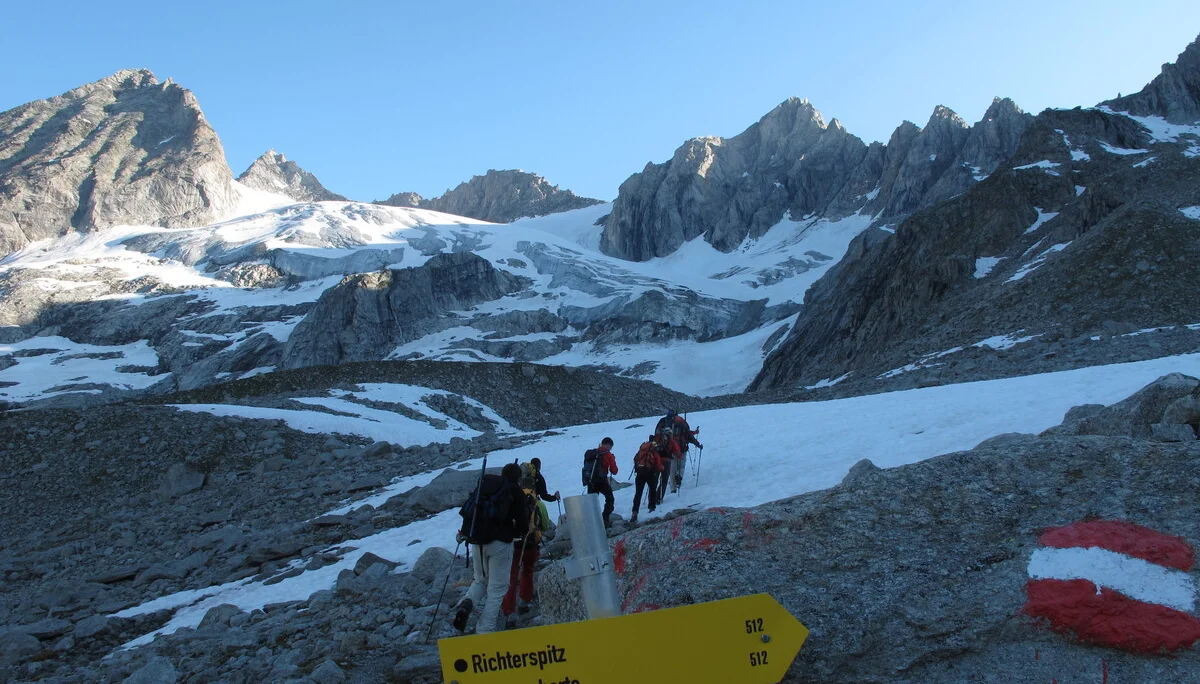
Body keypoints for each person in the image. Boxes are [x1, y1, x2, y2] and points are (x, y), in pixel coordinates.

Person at [452, 462, 528, 634]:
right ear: (518, 477)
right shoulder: (515, 491)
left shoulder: (487, 488)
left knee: (480, 580)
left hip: (477, 541)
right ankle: (485, 629)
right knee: (497, 587)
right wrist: (519, 531)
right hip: (500, 544)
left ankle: (466, 603)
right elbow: (522, 522)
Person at [501, 469, 551, 622]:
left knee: (511, 576)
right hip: (530, 542)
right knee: (527, 571)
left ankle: (508, 611)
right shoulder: (538, 503)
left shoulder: (511, 499)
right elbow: (545, 525)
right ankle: (525, 600)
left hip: (512, 543)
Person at [655, 410, 702, 494]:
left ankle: (672, 488)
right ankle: (679, 478)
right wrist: (698, 444)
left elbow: (657, 434)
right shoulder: (682, 422)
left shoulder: (664, 422)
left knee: (672, 468)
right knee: (681, 466)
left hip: (670, 450)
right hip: (682, 448)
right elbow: (689, 435)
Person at [582, 437, 618, 527]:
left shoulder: (593, 453)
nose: (610, 449)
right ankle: (605, 519)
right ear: (608, 445)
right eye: (611, 447)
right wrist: (612, 459)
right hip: (602, 481)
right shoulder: (608, 454)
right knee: (610, 499)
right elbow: (614, 471)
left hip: (591, 481)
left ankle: (591, 522)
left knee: (592, 502)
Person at [630, 434, 664, 524]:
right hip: (650, 473)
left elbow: (635, 459)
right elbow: (659, 465)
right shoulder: (653, 451)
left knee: (638, 493)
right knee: (652, 489)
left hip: (640, 473)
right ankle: (652, 508)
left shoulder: (641, 450)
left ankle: (634, 513)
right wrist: (661, 468)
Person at [653, 428, 681, 504]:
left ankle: (651, 499)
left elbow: (652, 448)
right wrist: (679, 456)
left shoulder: (656, 439)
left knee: (654, 481)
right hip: (666, 462)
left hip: (655, 462)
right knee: (664, 481)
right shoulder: (671, 441)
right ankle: (659, 499)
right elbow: (677, 452)